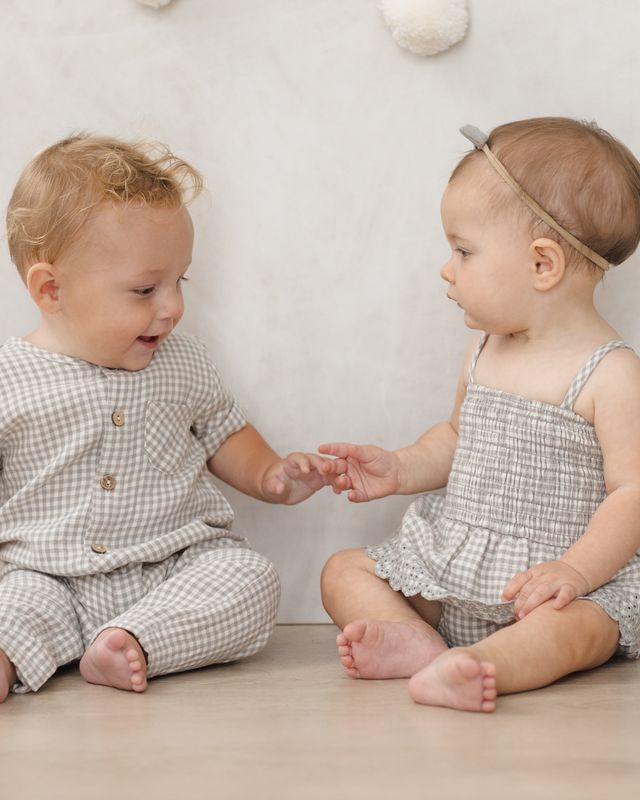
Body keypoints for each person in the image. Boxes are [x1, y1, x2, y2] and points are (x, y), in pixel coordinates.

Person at [319, 117, 640, 712]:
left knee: (581, 631)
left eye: (463, 250)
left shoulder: (609, 372)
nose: (447, 268)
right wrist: (400, 466)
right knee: (343, 570)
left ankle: (486, 664)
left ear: (542, 265)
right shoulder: (486, 349)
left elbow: (632, 491)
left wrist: (573, 572)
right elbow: (456, 437)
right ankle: (416, 641)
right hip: (454, 569)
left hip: (548, 585)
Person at [0, 134, 330, 701]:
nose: (173, 306)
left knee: (251, 580)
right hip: (48, 574)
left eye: (181, 280)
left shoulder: (183, 361)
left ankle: (133, 640)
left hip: (176, 566)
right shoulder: (10, 378)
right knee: (16, 606)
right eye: (145, 289)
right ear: (51, 289)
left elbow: (223, 431)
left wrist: (274, 475)